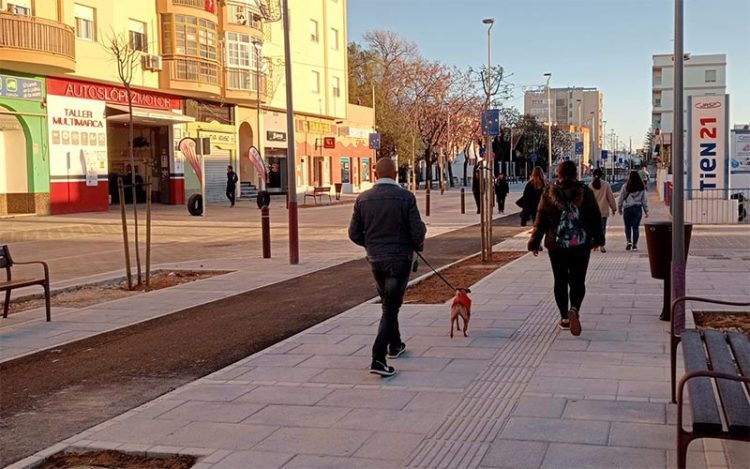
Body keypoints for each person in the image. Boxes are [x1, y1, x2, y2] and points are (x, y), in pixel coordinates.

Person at [348, 158, 427, 377]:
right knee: (391, 306)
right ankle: (378, 357)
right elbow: (417, 231)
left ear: (375, 175)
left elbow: (354, 233)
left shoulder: (363, 199)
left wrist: (371, 245)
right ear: (395, 174)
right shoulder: (406, 197)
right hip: (399, 259)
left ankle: (395, 344)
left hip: (375, 259)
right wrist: (416, 246)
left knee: (388, 303)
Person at [528, 161, 603, 336]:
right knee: (578, 280)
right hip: (580, 245)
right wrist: (598, 239)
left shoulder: (549, 193)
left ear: (559, 175)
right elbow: (595, 217)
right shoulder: (585, 192)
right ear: (576, 174)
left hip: (557, 246)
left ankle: (564, 318)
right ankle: (575, 308)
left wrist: (534, 242)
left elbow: (540, 220)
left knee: (560, 281)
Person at [618, 170, 649, 251]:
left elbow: (620, 198)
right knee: (636, 227)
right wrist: (646, 211)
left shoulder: (625, 186)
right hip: (637, 209)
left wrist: (619, 208)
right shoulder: (642, 187)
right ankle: (635, 245)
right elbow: (644, 200)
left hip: (627, 209)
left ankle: (628, 241)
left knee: (627, 226)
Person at [589, 168, 617, 253]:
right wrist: (614, 208)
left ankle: (594, 245)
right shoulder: (606, 185)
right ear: (602, 175)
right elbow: (610, 197)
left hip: (593, 212)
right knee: (602, 229)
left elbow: (587, 200)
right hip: (603, 211)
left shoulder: (590, 185)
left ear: (593, 175)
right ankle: (601, 245)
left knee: (593, 229)